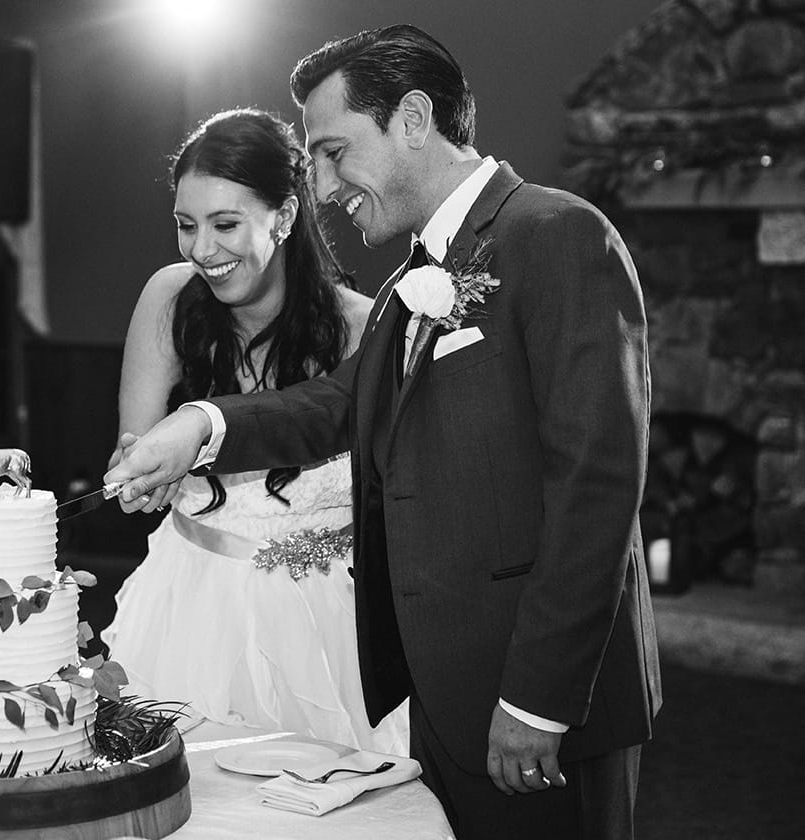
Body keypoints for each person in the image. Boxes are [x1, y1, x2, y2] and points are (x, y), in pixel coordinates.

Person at [105, 25, 660, 840]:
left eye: (333, 151)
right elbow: (335, 404)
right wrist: (202, 422)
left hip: (537, 698)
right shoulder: (411, 284)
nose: (324, 185)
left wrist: (536, 701)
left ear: (410, 119)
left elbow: (597, 488)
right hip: (442, 693)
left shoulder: (557, 234)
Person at [100, 108, 409, 753]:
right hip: (191, 610)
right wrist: (139, 475)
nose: (203, 250)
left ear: (286, 217)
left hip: (326, 622)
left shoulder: (364, 327)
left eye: (226, 224)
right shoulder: (169, 298)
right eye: (187, 226)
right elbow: (135, 447)